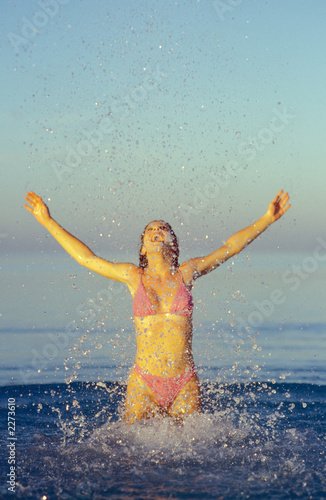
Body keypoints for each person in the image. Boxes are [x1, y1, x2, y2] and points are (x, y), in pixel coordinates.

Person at [24, 189, 290, 423]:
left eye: (163, 229)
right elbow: (86, 258)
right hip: (144, 381)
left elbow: (230, 248)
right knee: (131, 461)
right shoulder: (133, 276)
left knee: (190, 463)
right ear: (142, 246)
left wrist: (266, 219)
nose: (156, 232)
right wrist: (47, 221)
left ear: (173, 243)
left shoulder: (187, 272)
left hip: (184, 381)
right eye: (150, 229)